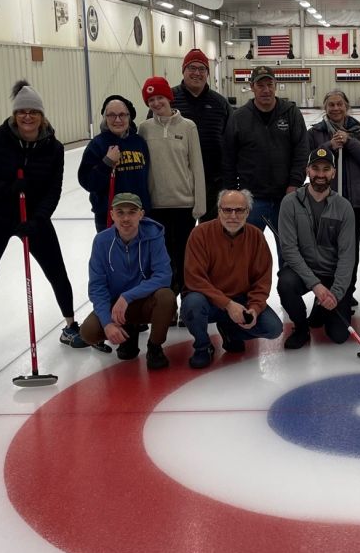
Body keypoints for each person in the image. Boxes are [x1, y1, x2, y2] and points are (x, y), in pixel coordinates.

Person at [0, 81, 79, 369]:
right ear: (15, 114)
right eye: (22, 112)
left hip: (32, 219)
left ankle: (71, 326)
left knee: (57, 272)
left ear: (42, 116)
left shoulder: (53, 148)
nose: (28, 117)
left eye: (34, 111)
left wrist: (37, 221)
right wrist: (7, 188)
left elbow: (52, 191)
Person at [181, 188, 284, 369]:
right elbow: (194, 279)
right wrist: (227, 304)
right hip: (209, 300)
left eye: (239, 210)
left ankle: (230, 331)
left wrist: (254, 308)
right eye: (227, 210)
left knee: (273, 328)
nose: (233, 216)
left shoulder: (256, 237)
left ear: (248, 212)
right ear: (219, 210)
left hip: (242, 300)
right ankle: (203, 347)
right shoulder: (200, 234)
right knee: (192, 305)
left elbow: (262, 281)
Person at [73, 193, 177, 369]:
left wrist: (127, 297)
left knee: (166, 297)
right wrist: (107, 323)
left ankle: (154, 347)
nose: (126, 218)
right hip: (116, 307)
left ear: (141, 215)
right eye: (120, 212)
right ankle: (128, 333)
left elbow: (164, 276)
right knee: (88, 332)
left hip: (144, 301)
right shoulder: (101, 242)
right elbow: (97, 287)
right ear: (112, 215)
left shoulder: (154, 236)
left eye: (132, 212)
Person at [277, 147, 357, 349]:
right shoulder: (290, 203)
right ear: (307, 171)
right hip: (304, 273)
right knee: (285, 283)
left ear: (333, 173)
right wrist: (316, 285)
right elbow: (289, 250)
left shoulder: (344, 207)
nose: (320, 174)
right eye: (315, 168)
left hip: (331, 274)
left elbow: (347, 256)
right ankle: (302, 328)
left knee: (338, 336)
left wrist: (336, 293)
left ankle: (322, 308)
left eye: (326, 169)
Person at [307, 89, 360, 309]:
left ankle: (347, 291)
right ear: (324, 108)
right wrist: (329, 147)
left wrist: (350, 142)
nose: (336, 108)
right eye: (331, 105)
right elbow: (307, 160)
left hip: (353, 202)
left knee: (349, 248)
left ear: (347, 106)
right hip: (323, 201)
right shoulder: (316, 132)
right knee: (324, 247)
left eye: (340, 104)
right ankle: (324, 292)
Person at [222, 66, 308, 240]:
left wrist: (294, 184)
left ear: (276, 85)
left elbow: (301, 150)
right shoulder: (238, 117)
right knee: (245, 251)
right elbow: (228, 158)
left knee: (289, 252)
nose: (266, 90)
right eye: (260, 85)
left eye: (270, 84)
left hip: (285, 197)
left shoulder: (291, 113)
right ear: (252, 87)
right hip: (251, 199)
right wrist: (233, 193)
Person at [138, 76, 205, 295]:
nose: (156, 103)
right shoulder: (145, 129)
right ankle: (167, 303)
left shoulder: (188, 127)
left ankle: (187, 300)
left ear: (169, 98)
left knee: (184, 257)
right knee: (162, 260)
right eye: (151, 100)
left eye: (159, 98)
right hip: (156, 206)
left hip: (183, 206)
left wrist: (199, 204)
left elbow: (196, 166)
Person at [172, 49, 231, 221]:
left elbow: (231, 143)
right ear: (183, 70)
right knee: (180, 239)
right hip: (179, 184)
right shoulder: (168, 100)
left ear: (207, 74)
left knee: (211, 237)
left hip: (213, 183)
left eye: (202, 69)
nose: (197, 73)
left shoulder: (220, 104)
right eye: (192, 68)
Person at [78, 94, 150, 231]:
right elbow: (87, 182)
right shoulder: (97, 144)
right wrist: (107, 163)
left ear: (129, 117)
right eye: (112, 115)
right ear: (105, 118)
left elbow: (146, 180)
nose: (117, 120)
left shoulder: (139, 142)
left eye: (122, 115)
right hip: (109, 217)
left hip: (138, 216)